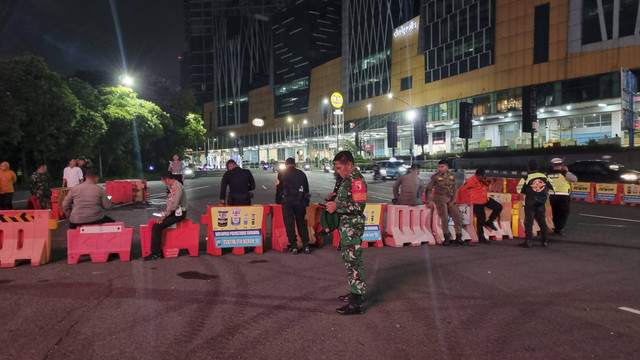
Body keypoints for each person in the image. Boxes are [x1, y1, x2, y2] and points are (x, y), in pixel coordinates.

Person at [325, 151, 367, 315]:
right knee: (348, 260)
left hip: (353, 227)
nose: (337, 170)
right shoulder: (347, 179)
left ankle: (357, 301)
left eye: (339, 167)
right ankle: (354, 291)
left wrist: (338, 207)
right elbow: (348, 199)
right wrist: (335, 198)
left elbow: (359, 206)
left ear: (348, 164)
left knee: (354, 261)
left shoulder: (356, 181)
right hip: (346, 226)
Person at [144, 171, 188, 261]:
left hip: (178, 213)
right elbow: (170, 201)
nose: (164, 183)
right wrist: (165, 213)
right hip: (174, 212)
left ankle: (156, 253)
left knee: (156, 227)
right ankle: (156, 252)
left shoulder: (177, 186)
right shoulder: (172, 186)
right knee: (157, 224)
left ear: (167, 179)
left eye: (163, 181)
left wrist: (165, 215)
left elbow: (175, 203)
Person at [424, 159, 466, 246]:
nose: (440, 169)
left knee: (457, 216)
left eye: (442, 167)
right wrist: (428, 201)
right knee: (444, 217)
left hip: (449, 198)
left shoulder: (452, 176)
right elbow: (428, 188)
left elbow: (455, 189)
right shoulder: (435, 176)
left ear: (447, 167)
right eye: (439, 167)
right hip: (439, 198)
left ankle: (458, 236)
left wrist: (453, 201)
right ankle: (446, 237)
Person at [275, 158, 311, 254]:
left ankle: (294, 246)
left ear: (286, 164)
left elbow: (279, 188)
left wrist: (278, 200)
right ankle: (306, 246)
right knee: (301, 223)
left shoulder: (281, 173)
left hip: (287, 202)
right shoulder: (302, 174)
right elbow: (306, 189)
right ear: (294, 164)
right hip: (300, 201)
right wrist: (306, 202)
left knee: (289, 224)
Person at [459, 168, 503, 244]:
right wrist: (464, 200)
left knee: (499, 207)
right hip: (477, 202)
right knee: (481, 219)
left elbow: (487, 185)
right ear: (478, 175)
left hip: (485, 199)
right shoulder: (470, 181)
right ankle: (481, 237)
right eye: (482, 177)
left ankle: (490, 221)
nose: (483, 178)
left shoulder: (481, 180)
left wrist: (487, 181)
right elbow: (461, 190)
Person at [517, 160, 553, 248]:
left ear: (528, 168)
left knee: (529, 222)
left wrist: (527, 192)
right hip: (541, 202)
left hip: (530, 202)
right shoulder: (545, 177)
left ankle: (528, 241)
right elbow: (552, 187)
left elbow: (518, 190)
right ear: (538, 168)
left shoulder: (526, 178)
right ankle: (545, 241)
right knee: (542, 221)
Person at [547, 158, 578, 236]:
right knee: (564, 213)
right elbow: (575, 179)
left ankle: (556, 228)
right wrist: (567, 171)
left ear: (553, 165)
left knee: (555, 213)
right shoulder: (564, 173)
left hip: (552, 196)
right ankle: (559, 229)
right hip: (563, 196)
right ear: (562, 165)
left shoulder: (548, 173)